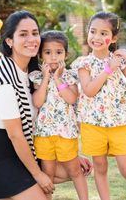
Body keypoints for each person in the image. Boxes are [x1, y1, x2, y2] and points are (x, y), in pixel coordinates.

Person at [0, 10, 92, 200]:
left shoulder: (34, 71)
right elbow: (16, 135)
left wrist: (71, 156)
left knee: (75, 169)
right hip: (1, 156)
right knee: (43, 184)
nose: (31, 39)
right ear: (9, 41)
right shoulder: (5, 81)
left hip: (27, 150)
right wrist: (38, 175)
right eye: (23, 34)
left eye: (35, 33)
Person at [71, 11, 126, 200]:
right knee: (101, 167)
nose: (97, 37)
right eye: (93, 31)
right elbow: (88, 90)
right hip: (93, 125)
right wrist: (107, 70)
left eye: (104, 33)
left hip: (118, 123)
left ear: (113, 38)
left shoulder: (119, 60)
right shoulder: (84, 63)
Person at [29, 31, 89, 200]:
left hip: (66, 133)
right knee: (48, 173)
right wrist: (47, 78)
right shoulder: (38, 77)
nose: (53, 57)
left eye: (58, 52)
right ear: (41, 55)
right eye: (48, 52)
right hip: (44, 134)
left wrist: (57, 78)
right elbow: (38, 102)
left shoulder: (70, 76)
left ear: (66, 54)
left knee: (75, 171)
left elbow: (71, 98)